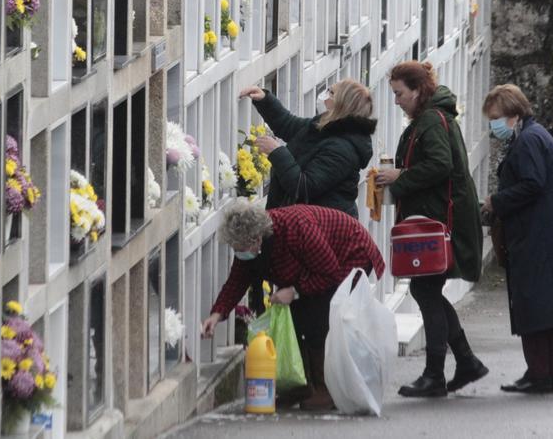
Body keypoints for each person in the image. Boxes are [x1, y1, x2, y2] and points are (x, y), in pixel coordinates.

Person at [201, 201, 386, 411]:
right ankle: (302, 386)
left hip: (349, 255)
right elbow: (237, 280)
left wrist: (295, 291)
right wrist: (217, 314)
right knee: (297, 316)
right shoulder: (252, 246)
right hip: (317, 267)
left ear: (256, 239)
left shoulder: (296, 230)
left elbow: (329, 272)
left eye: (240, 248)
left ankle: (326, 389)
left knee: (318, 317)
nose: (239, 253)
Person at [374, 61, 487, 398]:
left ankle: (436, 373)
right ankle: (465, 362)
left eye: (399, 94)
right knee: (428, 292)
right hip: (436, 220)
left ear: (418, 90)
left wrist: (400, 178)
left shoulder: (431, 121)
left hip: (438, 223)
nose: (396, 101)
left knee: (425, 291)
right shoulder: (433, 118)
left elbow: (440, 164)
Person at [481, 84, 553, 394]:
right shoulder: (534, 135)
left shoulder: (528, 141)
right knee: (547, 307)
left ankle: (540, 373)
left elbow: (532, 184)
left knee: (533, 303)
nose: (493, 125)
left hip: (537, 234)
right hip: (548, 231)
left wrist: (497, 201)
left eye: (495, 118)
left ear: (513, 115)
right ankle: (552, 372)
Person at [238, 79, 376, 218]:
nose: (325, 95)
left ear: (342, 105)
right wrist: (264, 100)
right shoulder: (328, 126)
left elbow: (303, 187)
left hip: (321, 228)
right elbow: (289, 126)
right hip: (306, 221)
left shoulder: (342, 150)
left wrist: (277, 152)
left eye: (332, 93)